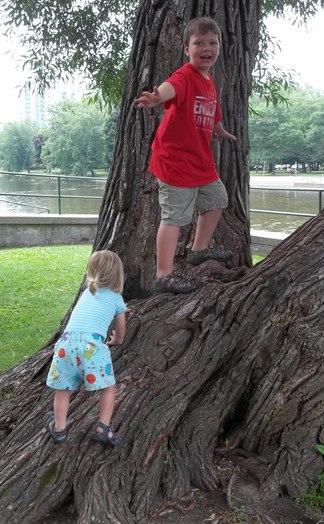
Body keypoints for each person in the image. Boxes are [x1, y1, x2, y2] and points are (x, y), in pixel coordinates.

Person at [135, 17, 236, 294]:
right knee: (174, 218)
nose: (206, 48)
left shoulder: (209, 81)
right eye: (199, 43)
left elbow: (212, 112)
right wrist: (156, 98)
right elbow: (170, 88)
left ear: (219, 47)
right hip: (175, 162)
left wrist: (220, 130)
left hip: (200, 161)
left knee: (218, 199)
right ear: (186, 48)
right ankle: (163, 276)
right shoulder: (185, 75)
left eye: (212, 43)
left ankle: (198, 250)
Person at [45, 250, 127, 445]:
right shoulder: (116, 299)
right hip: (93, 347)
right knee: (108, 387)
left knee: (62, 390)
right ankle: (102, 427)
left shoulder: (86, 293)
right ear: (118, 275)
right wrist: (117, 340)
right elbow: (121, 328)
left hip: (65, 345)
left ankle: (59, 429)